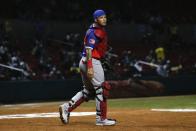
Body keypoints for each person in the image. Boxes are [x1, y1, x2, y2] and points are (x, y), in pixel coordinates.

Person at [59, 9, 116, 126]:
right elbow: (89, 50)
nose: (104, 19)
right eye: (101, 17)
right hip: (90, 62)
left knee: (88, 91)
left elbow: (95, 49)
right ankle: (101, 119)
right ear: (96, 19)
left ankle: (66, 108)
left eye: (105, 17)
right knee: (102, 89)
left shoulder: (95, 29)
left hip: (85, 61)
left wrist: (102, 59)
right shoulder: (94, 32)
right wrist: (90, 67)